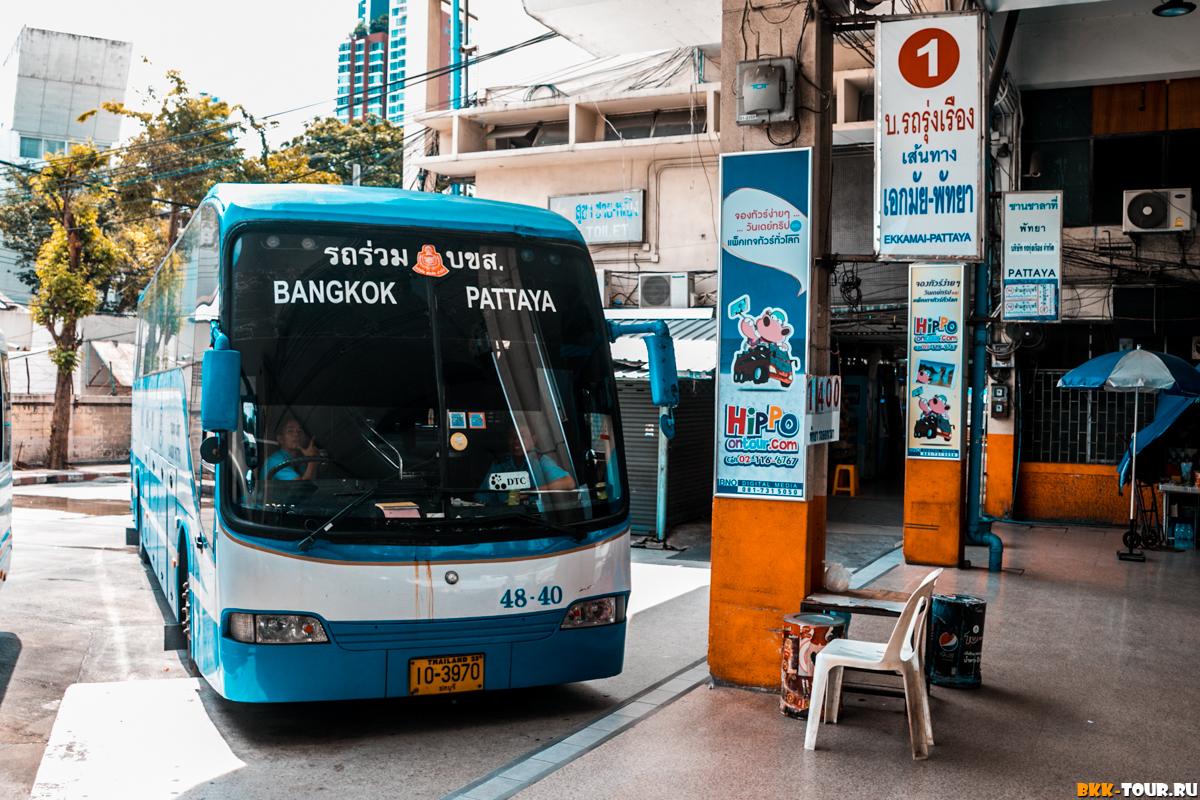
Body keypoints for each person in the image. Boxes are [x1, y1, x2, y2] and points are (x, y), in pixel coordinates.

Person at [479, 422, 575, 504]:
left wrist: (532, 492)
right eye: (513, 437)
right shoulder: (500, 464)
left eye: (522, 436)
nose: (517, 441)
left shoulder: (540, 461)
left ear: (533, 440)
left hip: (532, 517)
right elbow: (482, 497)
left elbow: (569, 483)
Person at [265, 415, 322, 480]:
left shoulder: (301, 461)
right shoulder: (275, 461)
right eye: (290, 431)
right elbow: (301, 488)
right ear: (280, 439)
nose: (296, 434)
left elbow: (313, 485)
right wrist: (312, 460)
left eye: (300, 431)